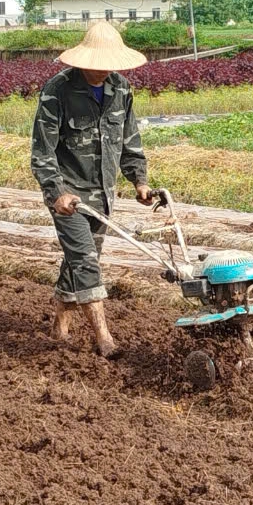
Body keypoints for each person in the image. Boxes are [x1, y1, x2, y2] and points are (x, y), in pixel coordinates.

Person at [31, 22, 153, 358]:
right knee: (86, 260)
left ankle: (59, 324)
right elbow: (42, 153)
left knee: (79, 259)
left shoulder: (121, 89)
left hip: (104, 194)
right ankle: (104, 337)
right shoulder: (58, 91)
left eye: (109, 64)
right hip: (68, 196)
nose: (103, 70)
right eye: (97, 64)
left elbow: (130, 142)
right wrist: (57, 192)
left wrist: (139, 182)